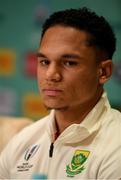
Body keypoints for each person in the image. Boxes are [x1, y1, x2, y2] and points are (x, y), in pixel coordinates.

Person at [0, 7, 121, 179]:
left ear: (103, 72)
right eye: (44, 61)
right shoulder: (23, 141)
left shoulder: (116, 146)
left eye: (69, 63)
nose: (51, 75)